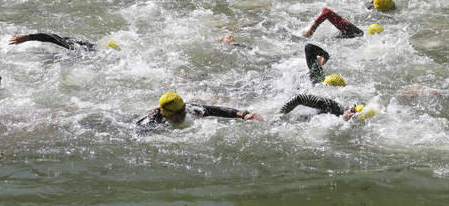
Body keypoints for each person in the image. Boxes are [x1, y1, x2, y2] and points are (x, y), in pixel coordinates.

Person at [136, 92, 264, 131]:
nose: (183, 115)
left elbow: (216, 110)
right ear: (165, 113)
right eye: (178, 113)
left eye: (183, 111)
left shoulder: (187, 109)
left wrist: (244, 115)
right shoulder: (150, 123)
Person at [279, 93, 375, 121]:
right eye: (352, 111)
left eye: (353, 117)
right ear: (351, 107)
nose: (350, 115)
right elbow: (298, 98)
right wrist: (277, 116)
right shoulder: (332, 106)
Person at [8, 32, 116, 51]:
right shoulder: (81, 48)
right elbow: (52, 37)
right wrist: (28, 37)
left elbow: (51, 37)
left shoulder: (78, 49)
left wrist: (28, 37)